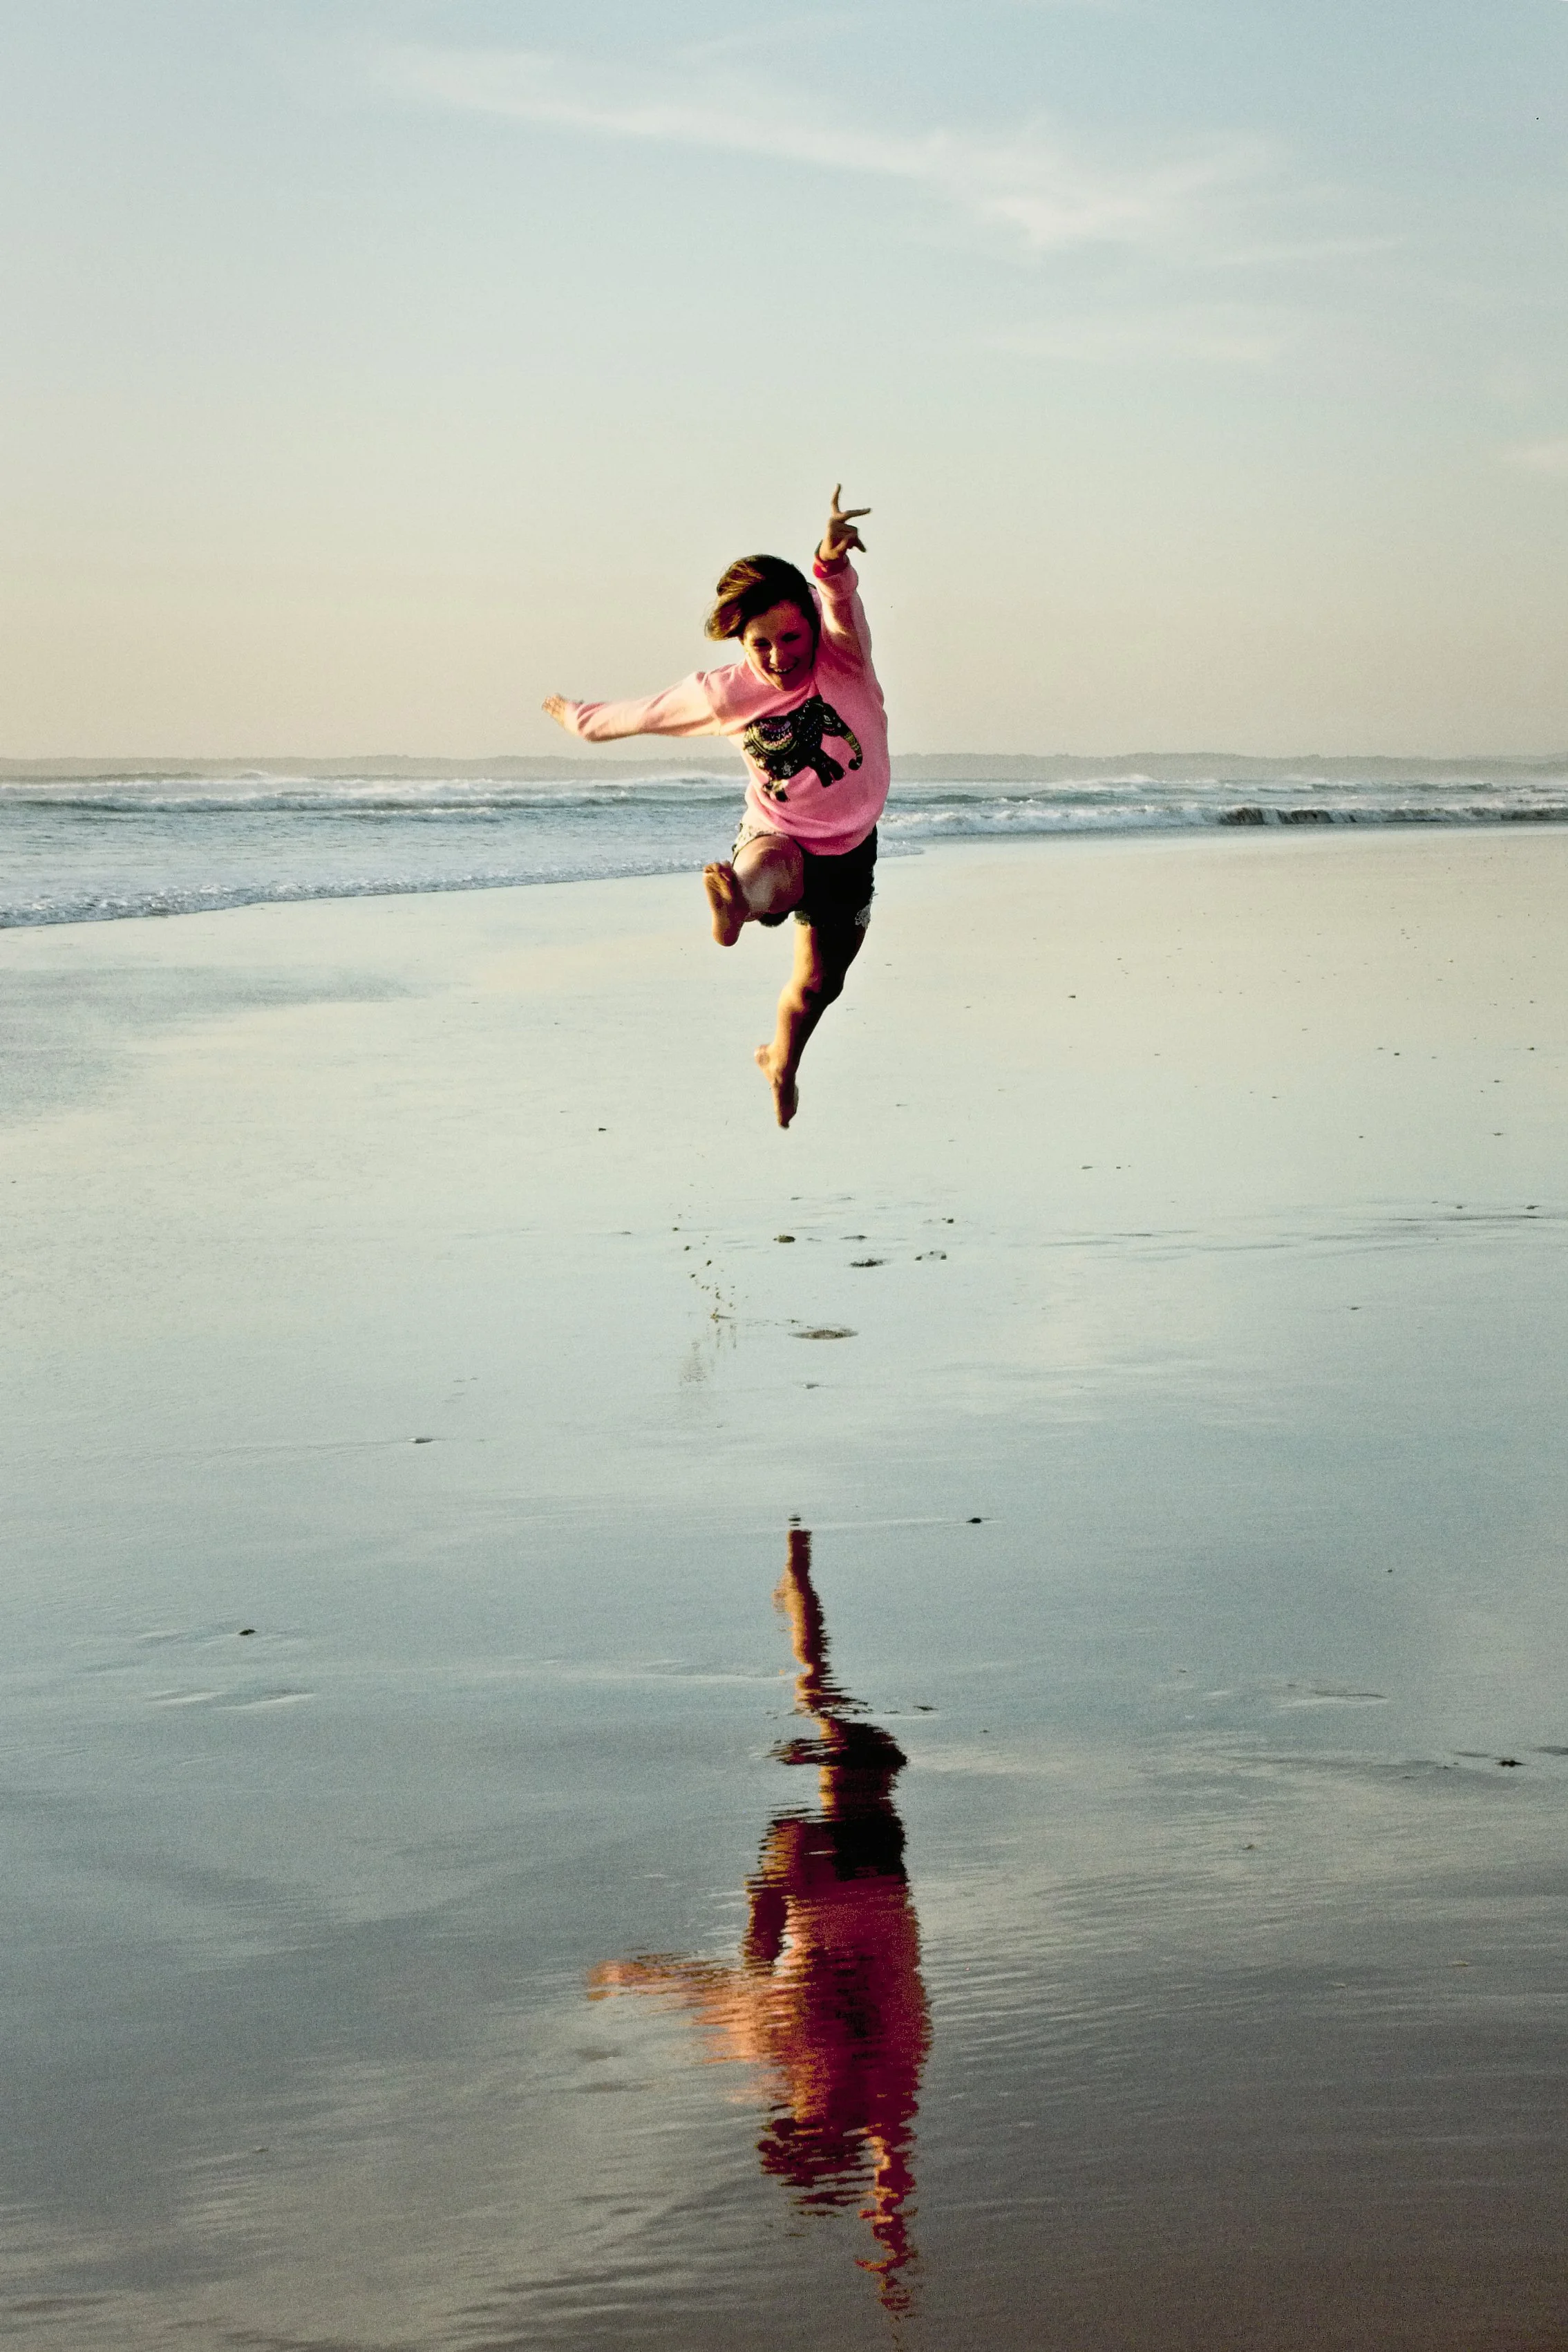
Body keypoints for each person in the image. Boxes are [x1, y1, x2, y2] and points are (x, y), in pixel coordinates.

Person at [588, 1525, 930, 2318]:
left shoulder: (822, 2075)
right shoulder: (871, 2089)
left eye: (798, 2125)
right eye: (809, 2129)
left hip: (829, 1877)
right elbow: (894, 2168)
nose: (806, 2110)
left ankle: (797, 1587)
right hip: (844, 1871)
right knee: (815, 1693)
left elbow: (721, 1989)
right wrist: (889, 2233)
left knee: (815, 1693)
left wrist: (889, 2230)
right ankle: (796, 1586)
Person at [542, 489, 887, 1128]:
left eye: (790, 638)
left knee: (819, 987)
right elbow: (641, 714)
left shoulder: (844, 660)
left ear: (812, 626)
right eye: (761, 644)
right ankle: (735, 904)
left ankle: (780, 1063)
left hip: (849, 850)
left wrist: (831, 562)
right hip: (777, 831)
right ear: (739, 641)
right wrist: (578, 719)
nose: (779, 657)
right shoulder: (726, 693)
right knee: (769, 866)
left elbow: (840, 602)